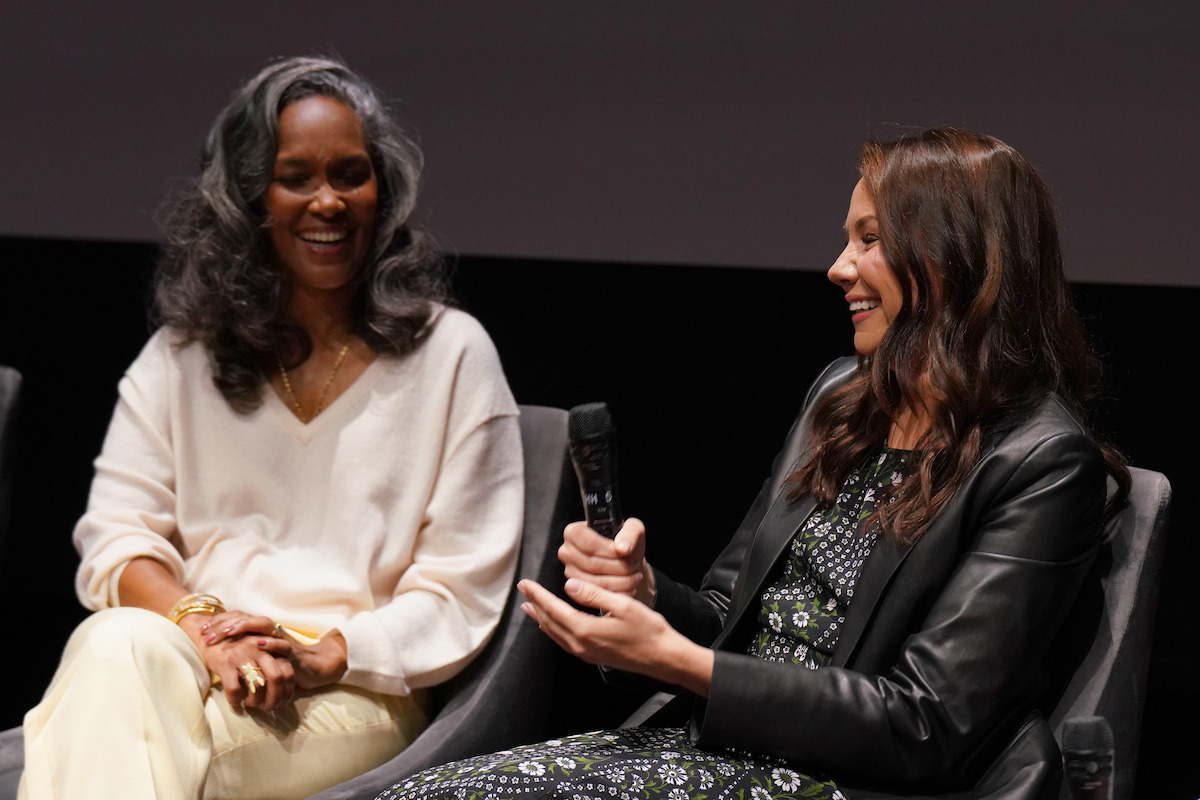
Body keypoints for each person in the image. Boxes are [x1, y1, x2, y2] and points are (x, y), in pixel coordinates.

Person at [375, 128, 1128, 800]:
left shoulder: (1041, 461)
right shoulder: (842, 398)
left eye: (869, 239)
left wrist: (682, 664)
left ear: (955, 258)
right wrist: (645, 595)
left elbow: (925, 723)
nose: (838, 267)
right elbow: (725, 616)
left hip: (843, 782)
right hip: (715, 749)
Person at [18, 57, 524, 800]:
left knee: (105, 730)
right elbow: (116, 536)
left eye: (351, 175)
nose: (329, 202)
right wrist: (204, 628)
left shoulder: (452, 354)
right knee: (113, 638)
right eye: (296, 178)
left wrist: (327, 653)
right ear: (251, 197)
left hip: (351, 691)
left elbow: (460, 589)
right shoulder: (184, 353)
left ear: (382, 191)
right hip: (184, 656)